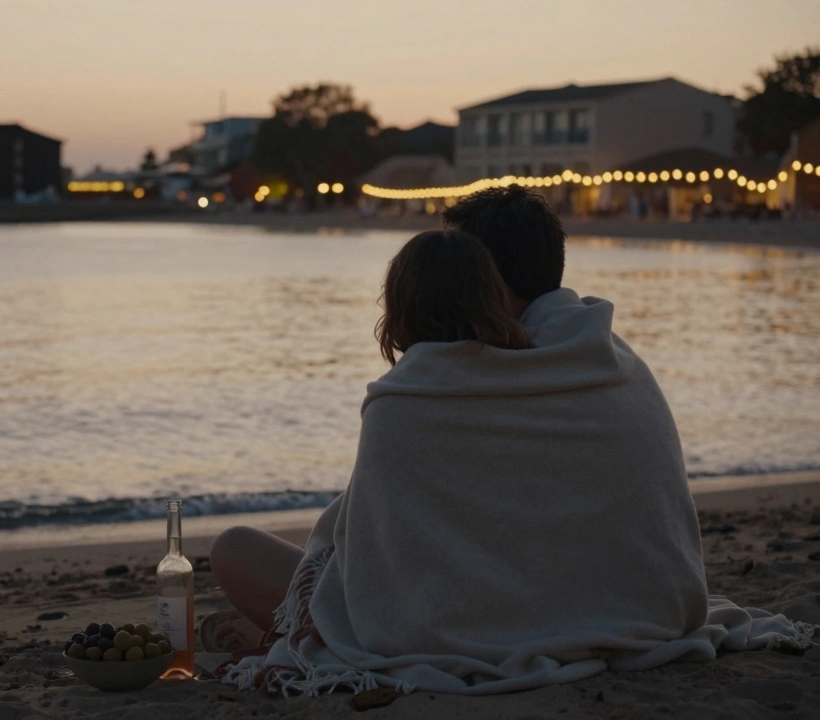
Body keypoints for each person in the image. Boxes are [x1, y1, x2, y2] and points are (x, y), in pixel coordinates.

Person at [210, 185, 812, 695]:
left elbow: (376, 574)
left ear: (477, 277)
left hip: (464, 635)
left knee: (236, 548)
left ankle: (268, 633)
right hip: (648, 615)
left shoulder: (420, 394)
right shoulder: (616, 360)